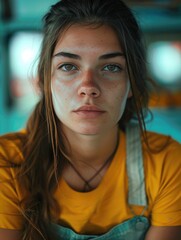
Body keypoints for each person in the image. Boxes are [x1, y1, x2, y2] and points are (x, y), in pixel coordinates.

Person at [0, 0, 181, 239]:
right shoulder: (7, 164)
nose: (88, 87)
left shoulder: (168, 163)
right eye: (68, 66)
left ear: (131, 84)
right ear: (45, 81)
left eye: (111, 68)